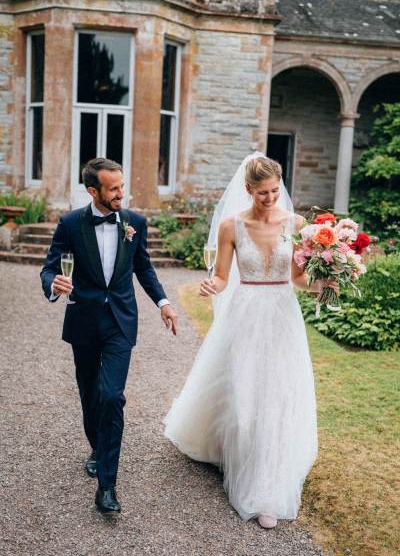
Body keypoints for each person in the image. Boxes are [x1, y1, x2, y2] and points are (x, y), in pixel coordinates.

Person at [164, 153, 337, 529]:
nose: (271, 198)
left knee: (277, 392)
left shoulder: (297, 225)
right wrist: (214, 284)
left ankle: (266, 483)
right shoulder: (231, 227)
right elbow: (224, 278)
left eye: (276, 191)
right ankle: (232, 446)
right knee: (243, 389)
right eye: (262, 193)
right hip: (246, 312)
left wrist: (325, 285)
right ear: (248, 191)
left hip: (281, 315)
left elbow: (298, 278)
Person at [41, 158, 178, 514]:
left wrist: (163, 301)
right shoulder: (71, 223)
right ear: (93, 191)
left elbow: (143, 267)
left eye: (122, 186)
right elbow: (50, 266)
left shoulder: (134, 223)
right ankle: (97, 447)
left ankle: (107, 486)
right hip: (83, 320)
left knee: (112, 395)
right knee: (89, 393)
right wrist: (53, 285)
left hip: (120, 321)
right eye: (114, 188)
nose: (122, 193)